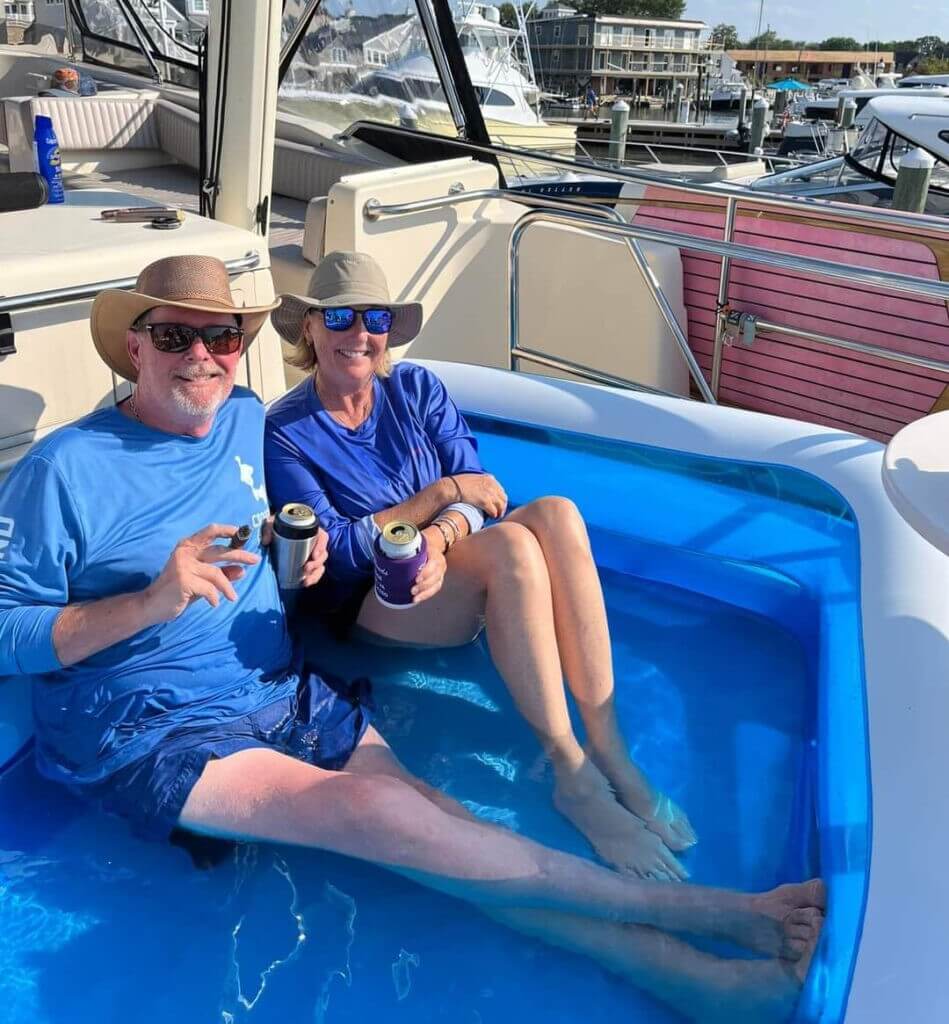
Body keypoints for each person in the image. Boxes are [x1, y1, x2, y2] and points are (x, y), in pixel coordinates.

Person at [0, 254, 825, 1021]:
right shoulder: (66, 469)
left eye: (220, 336)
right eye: (175, 336)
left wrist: (305, 554)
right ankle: (709, 914)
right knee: (373, 809)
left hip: (270, 686)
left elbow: (289, 542)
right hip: (144, 723)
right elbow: (8, 632)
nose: (202, 356)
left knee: (431, 821)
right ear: (135, 348)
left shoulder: (240, 418)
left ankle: (687, 979)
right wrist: (151, 601)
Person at [265, 252, 696, 881]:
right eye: (339, 317)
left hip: (444, 575)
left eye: (374, 316)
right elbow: (343, 548)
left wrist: (439, 534)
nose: (358, 333)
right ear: (309, 328)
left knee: (556, 513)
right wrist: (439, 499)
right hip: (367, 606)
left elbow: (485, 492)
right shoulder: (286, 431)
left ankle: (611, 749)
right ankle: (570, 771)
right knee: (514, 548)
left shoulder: (416, 390)